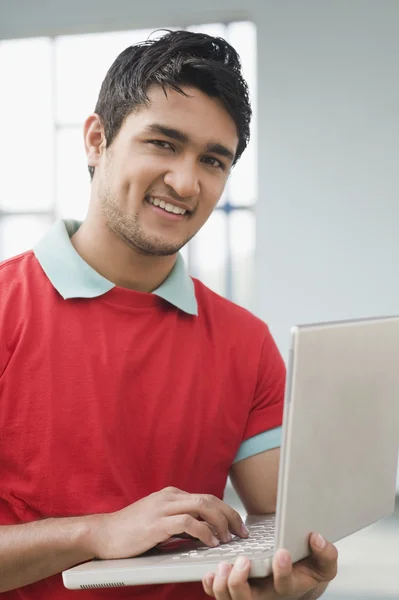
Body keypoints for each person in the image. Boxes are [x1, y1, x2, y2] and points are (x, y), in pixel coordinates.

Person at [0, 30, 338, 600]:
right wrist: (96, 532)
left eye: (213, 160)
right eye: (163, 143)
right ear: (96, 140)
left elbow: (288, 533)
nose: (186, 182)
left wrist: (290, 582)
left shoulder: (244, 342)